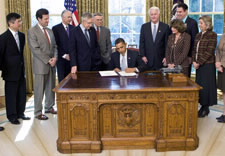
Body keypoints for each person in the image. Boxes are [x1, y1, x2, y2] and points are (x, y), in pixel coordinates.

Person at [0, 13, 30, 125]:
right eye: (19, 21)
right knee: (11, 95)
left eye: (20, 21)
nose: (21, 23)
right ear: (11, 23)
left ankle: (20, 113)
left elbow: (20, 53)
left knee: (21, 93)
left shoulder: (22, 36)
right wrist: (6, 69)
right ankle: (12, 116)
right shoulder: (3, 38)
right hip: (9, 72)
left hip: (21, 70)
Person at [28, 8, 57, 120]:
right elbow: (35, 49)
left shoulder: (50, 31)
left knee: (51, 87)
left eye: (48, 18)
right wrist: (48, 60)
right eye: (45, 19)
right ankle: (38, 112)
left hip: (52, 64)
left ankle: (49, 107)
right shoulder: (32, 31)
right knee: (39, 90)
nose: (48, 20)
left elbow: (54, 46)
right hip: (41, 65)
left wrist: (55, 58)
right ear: (39, 19)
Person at [192, 15, 217, 118]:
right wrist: (194, 61)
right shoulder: (198, 35)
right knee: (200, 86)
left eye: (201, 23)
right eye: (199, 23)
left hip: (207, 65)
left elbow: (209, 51)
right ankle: (202, 106)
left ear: (207, 25)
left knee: (206, 87)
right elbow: (194, 50)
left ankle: (205, 108)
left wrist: (199, 62)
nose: (199, 25)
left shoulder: (212, 35)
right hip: (198, 65)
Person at [139, 6, 170, 70]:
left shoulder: (165, 27)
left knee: (160, 79)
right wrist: (143, 55)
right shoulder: (144, 27)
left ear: (159, 14)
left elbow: (167, 44)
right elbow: (141, 42)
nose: (153, 16)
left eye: (155, 14)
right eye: (151, 14)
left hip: (160, 60)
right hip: (147, 60)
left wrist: (166, 57)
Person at [176, 3, 199, 77]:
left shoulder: (192, 23)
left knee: (185, 78)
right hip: (176, 56)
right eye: (177, 12)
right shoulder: (175, 22)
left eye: (180, 12)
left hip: (187, 57)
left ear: (186, 11)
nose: (178, 14)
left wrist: (191, 56)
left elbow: (194, 40)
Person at [52, 10, 75, 82]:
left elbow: (75, 44)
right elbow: (55, 44)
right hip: (61, 60)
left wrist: (71, 55)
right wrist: (65, 55)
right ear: (63, 17)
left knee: (72, 81)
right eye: (68, 17)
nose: (70, 19)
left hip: (72, 59)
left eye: (71, 17)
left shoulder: (73, 28)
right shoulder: (56, 28)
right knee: (62, 82)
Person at [215, 34, 225, 123]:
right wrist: (218, 62)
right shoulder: (224, 35)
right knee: (224, 91)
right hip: (222, 67)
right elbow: (218, 50)